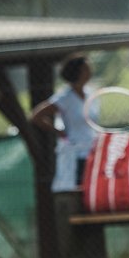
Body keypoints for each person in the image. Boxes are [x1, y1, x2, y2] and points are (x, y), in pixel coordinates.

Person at [30, 53, 95, 192]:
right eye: (86, 68)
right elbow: (36, 116)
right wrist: (59, 132)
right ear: (77, 72)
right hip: (77, 154)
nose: (90, 71)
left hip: (93, 151)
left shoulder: (91, 94)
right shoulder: (64, 98)